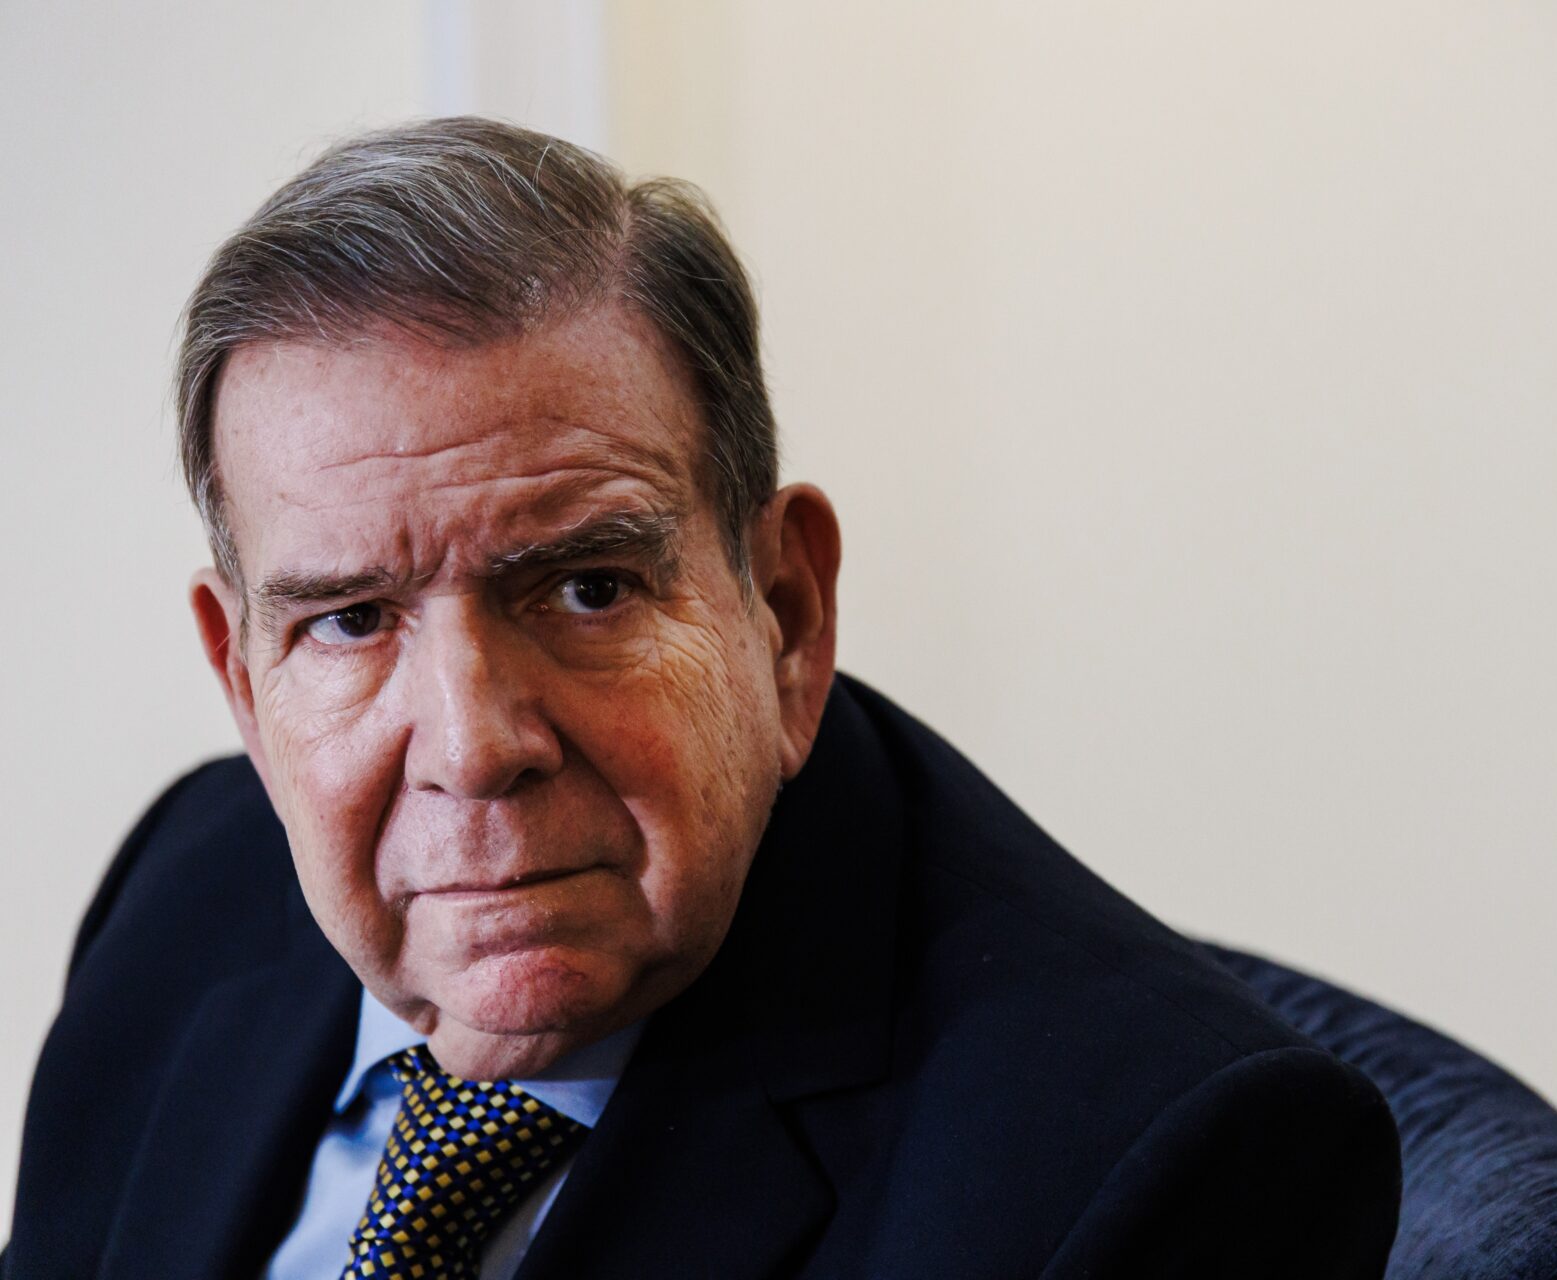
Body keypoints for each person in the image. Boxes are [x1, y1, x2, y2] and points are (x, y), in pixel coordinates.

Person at [4, 118, 1399, 1279]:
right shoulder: (185, 890)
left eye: (586, 589)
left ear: (784, 616)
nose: (474, 748)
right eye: (352, 621)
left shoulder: (1151, 1169)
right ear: (245, 682)